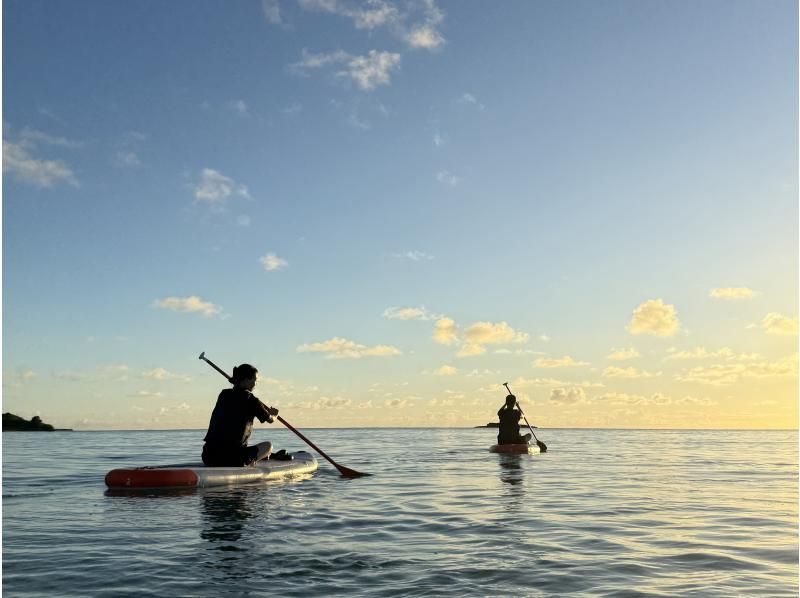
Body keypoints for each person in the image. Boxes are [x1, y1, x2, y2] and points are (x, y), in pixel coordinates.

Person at [202, 363, 291, 466]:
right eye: (255, 380)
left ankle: (258, 456)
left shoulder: (223, 395)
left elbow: (237, 398)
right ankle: (252, 461)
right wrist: (274, 415)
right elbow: (270, 419)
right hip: (233, 458)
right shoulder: (252, 400)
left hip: (208, 456)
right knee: (268, 446)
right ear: (247, 380)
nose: (255, 383)